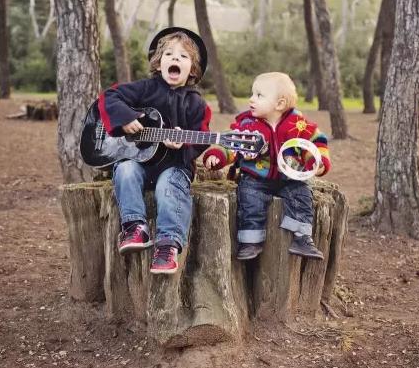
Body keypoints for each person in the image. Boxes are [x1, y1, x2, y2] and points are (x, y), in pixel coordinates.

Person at [98, 27, 211, 274]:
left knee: (169, 184)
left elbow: (202, 137)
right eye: (169, 54)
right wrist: (126, 117)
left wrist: (184, 145)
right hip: (137, 162)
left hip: (173, 166)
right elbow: (109, 97)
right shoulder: (145, 89)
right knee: (125, 168)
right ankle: (135, 228)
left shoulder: (197, 104)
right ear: (158, 63)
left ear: (192, 69)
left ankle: (167, 244)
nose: (175, 59)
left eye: (183, 57)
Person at [203, 72, 330, 260]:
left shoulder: (299, 124)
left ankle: (302, 237)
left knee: (302, 195)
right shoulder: (247, 124)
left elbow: (315, 142)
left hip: (290, 178)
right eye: (252, 94)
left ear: (279, 104)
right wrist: (218, 155)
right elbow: (231, 143)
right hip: (256, 177)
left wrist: (317, 162)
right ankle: (251, 240)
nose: (251, 99)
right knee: (249, 198)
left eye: (259, 95)